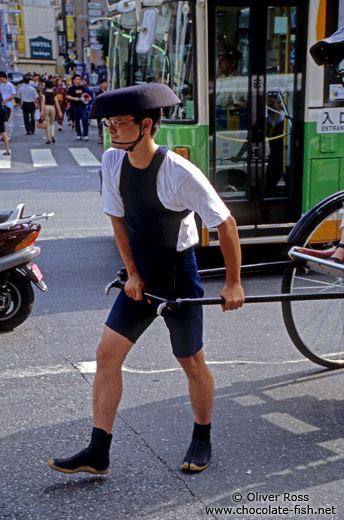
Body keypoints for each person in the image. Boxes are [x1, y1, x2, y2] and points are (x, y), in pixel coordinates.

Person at [47, 83, 245, 477]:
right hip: (140, 278)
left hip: (177, 275)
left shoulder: (178, 172)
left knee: (190, 361)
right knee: (106, 356)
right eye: (109, 123)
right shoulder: (112, 160)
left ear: (147, 125)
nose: (112, 129)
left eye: (120, 123)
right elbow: (117, 220)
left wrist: (233, 283)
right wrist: (132, 274)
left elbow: (226, 224)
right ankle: (97, 451)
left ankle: (202, 437)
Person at [264, 93, 285, 196]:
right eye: (269, 102)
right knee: (268, 185)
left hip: (286, 157)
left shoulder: (286, 118)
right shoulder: (267, 120)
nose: (271, 105)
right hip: (274, 156)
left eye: (273, 102)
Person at [66, 74, 89, 140]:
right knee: (77, 121)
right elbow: (67, 96)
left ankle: (85, 134)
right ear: (73, 80)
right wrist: (74, 98)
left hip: (83, 106)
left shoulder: (83, 88)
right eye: (77, 79)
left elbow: (86, 95)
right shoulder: (71, 88)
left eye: (79, 79)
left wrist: (87, 99)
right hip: (75, 107)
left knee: (85, 119)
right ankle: (79, 134)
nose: (78, 81)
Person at [40, 80, 62, 144]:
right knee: (52, 122)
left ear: (46, 86)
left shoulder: (44, 93)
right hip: (52, 107)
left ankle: (48, 138)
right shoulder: (54, 93)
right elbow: (57, 103)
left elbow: (43, 102)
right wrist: (60, 111)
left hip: (46, 107)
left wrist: (41, 111)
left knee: (47, 123)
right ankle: (53, 135)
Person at [0, 71, 16, 140]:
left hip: (9, 105)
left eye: (0, 78)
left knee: (9, 121)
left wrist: (6, 100)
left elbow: (14, 95)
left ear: (3, 78)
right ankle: (3, 135)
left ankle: (9, 136)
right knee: (2, 121)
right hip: (1, 105)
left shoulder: (10, 85)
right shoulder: (1, 85)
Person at [95, 78, 107, 143]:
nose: (106, 85)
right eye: (104, 83)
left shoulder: (109, 91)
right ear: (101, 84)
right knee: (99, 124)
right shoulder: (98, 92)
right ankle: (99, 137)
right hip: (100, 109)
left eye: (106, 83)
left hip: (106, 110)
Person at [0, 91, 10, 155]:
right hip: (0, 114)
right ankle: (7, 150)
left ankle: (7, 150)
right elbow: (2, 101)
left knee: (3, 133)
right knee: (3, 132)